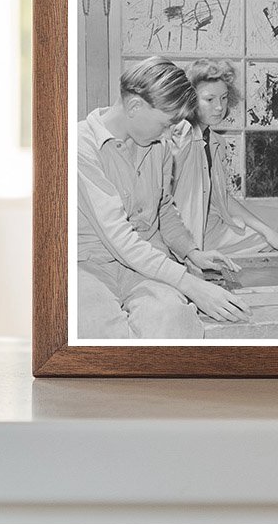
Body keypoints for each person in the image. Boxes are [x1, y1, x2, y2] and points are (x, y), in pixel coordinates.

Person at [75, 56, 250, 339]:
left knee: (175, 322)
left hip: (145, 264)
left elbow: (163, 206)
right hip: (89, 268)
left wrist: (192, 252)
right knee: (98, 331)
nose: (170, 132)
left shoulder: (156, 142)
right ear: (134, 106)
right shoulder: (80, 147)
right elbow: (118, 237)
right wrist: (192, 286)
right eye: (166, 123)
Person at [171, 58, 278, 255]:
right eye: (209, 99)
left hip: (217, 216)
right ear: (190, 100)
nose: (219, 107)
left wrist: (267, 231)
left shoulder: (215, 141)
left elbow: (222, 198)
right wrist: (268, 234)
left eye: (223, 98)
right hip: (195, 234)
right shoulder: (181, 139)